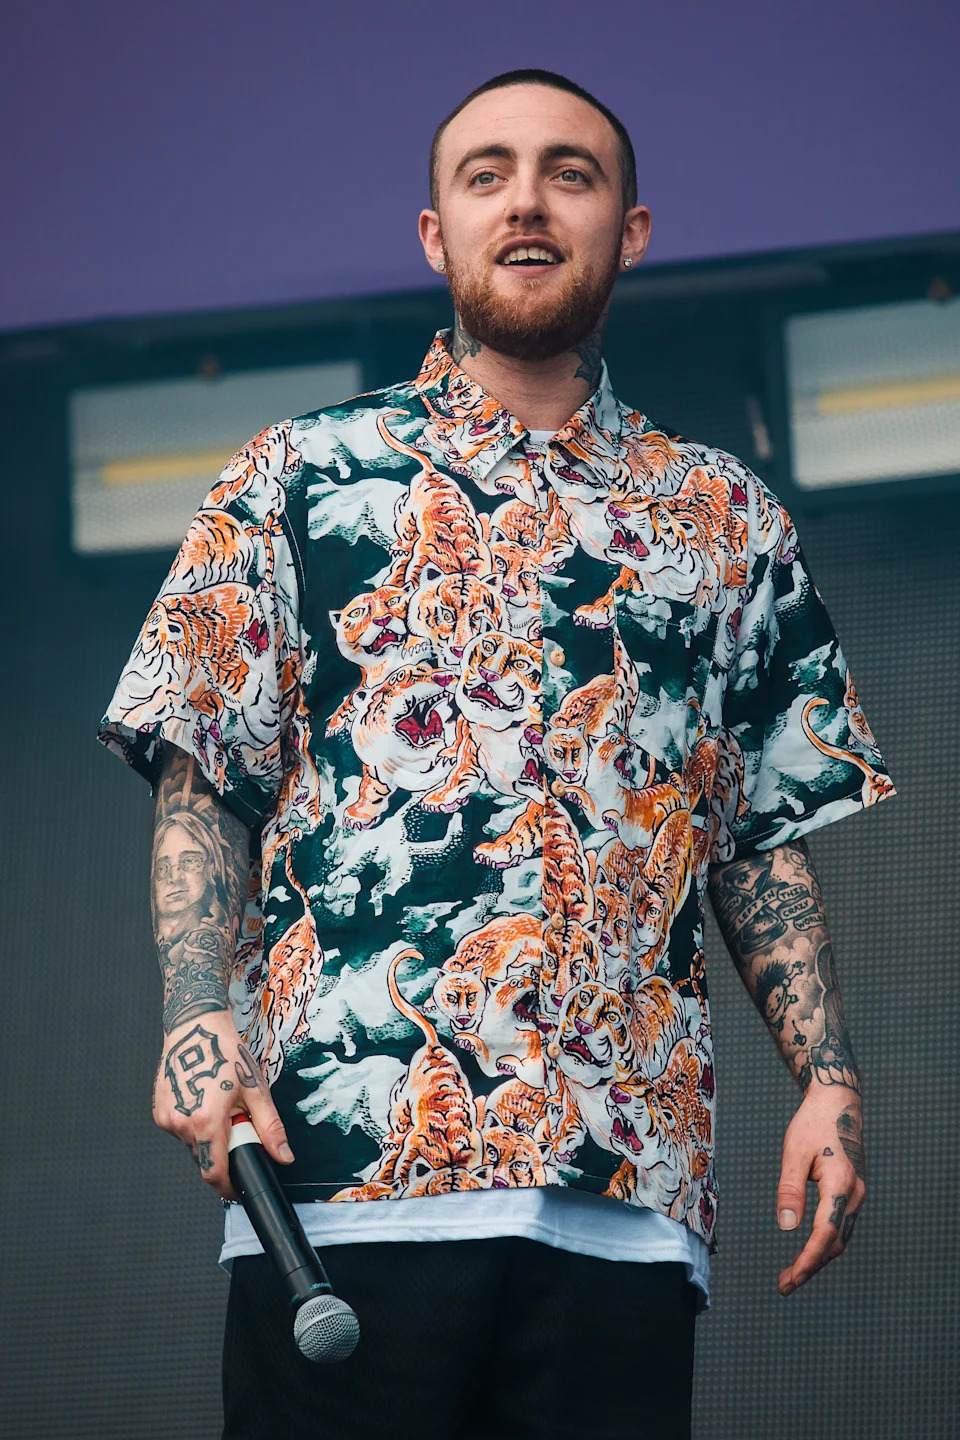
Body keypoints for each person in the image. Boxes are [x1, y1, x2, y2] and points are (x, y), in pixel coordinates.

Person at [99, 68, 893, 1440]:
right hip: (340, 1191)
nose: (526, 199)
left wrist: (827, 1076)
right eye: (488, 174)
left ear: (630, 229)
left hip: (625, 1204)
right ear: (434, 234)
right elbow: (202, 778)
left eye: (568, 173)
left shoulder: (727, 518)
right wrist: (191, 1016)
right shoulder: (293, 474)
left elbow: (757, 835)